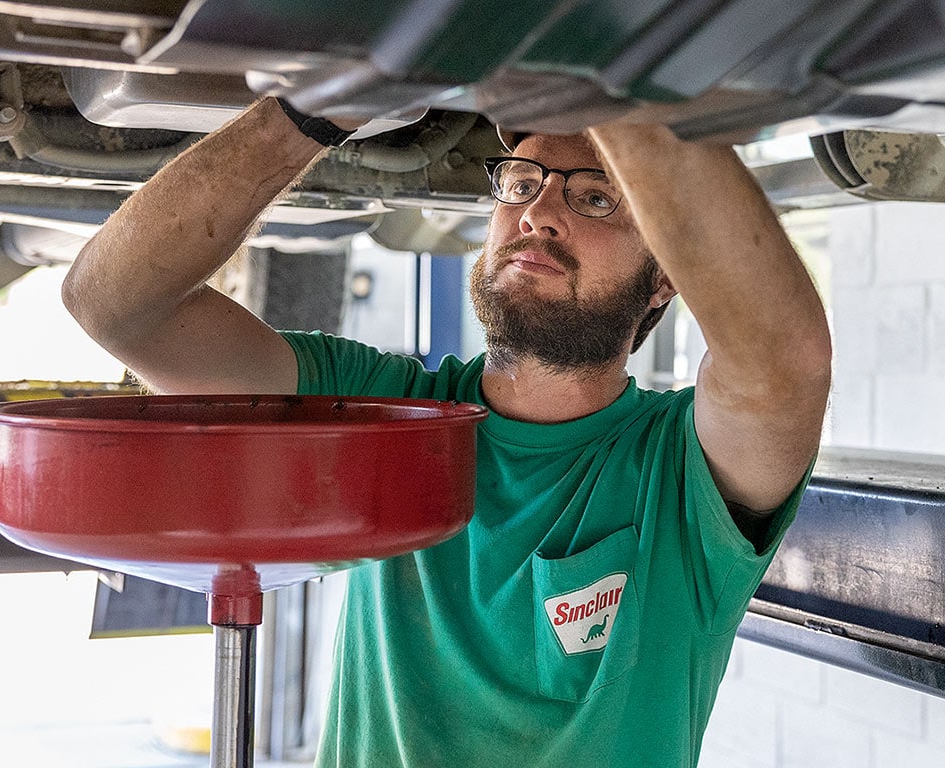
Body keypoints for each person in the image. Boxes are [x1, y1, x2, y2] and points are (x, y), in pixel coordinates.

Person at [62, 97, 832, 767]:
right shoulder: (384, 415)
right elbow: (116, 305)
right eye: (522, 184)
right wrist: (310, 113)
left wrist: (606, 72)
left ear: (666, 276)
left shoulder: (681, 470)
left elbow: (785, 365)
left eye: (597, 199)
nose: (536, 212)